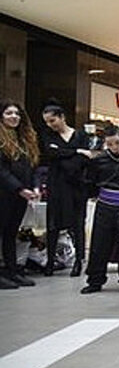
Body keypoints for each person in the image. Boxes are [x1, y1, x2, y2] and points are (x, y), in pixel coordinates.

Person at [80, 128, 119, 294]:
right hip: (106, 203)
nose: (114, 147)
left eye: (117, 143)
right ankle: (95, 280)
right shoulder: (101, 160)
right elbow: (91, 181)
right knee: (99, 243)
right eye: (110, 144)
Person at [39, 101, 91, 277]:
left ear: (62, 117)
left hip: (76, 186)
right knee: (53, 224)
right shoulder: (47, 136)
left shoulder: (81, 135)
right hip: (57, 185)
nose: (50, 125)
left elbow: (84, 160)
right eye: (47, 122)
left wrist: (65, 154)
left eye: (52, 120)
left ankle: (79, 261)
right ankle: (50, 261)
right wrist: (76, 151)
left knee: (78, 224)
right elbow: (51, 153)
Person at [0, 100, 40, 289]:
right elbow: (1, 170)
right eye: (9, 113)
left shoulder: (24, 138)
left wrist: (35, 187)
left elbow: (32, 167)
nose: (14, 117)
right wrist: (19, 188)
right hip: (5, 194)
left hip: (20, 196)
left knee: (11, 234)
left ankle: (12, 270)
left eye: (16, 113)